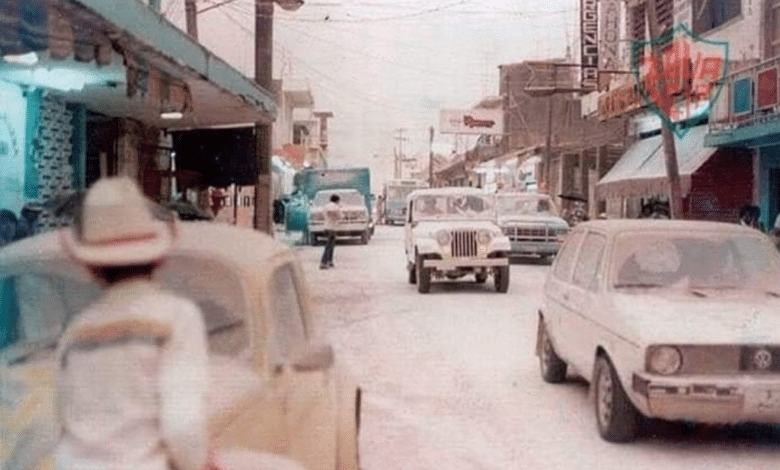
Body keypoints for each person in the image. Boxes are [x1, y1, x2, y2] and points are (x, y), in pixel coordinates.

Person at [54, 176, 210, 470]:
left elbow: (63, 420)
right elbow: (183, 426)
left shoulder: (76, 329)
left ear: (90, 268)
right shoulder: (177, 317)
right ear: (160, 258)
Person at [320, 193, 341, 269]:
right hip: (333, 228)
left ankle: (329, 261)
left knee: (328, 245)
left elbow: (323, 215)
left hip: (326, 227)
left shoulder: (326, 207)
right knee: (330, 246)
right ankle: (324, 262)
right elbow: (339, 217)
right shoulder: (336, 207)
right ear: (337, 200)